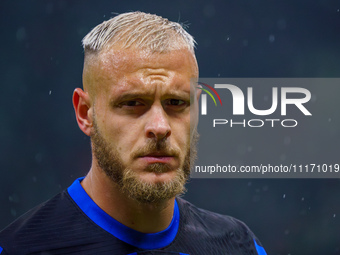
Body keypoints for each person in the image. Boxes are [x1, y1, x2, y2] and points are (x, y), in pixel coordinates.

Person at [0, 11, 267, 255]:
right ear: (85, 113)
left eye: (176, 103)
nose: (160, 127)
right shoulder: (19, 249)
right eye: (132, 103)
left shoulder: (239, 245)